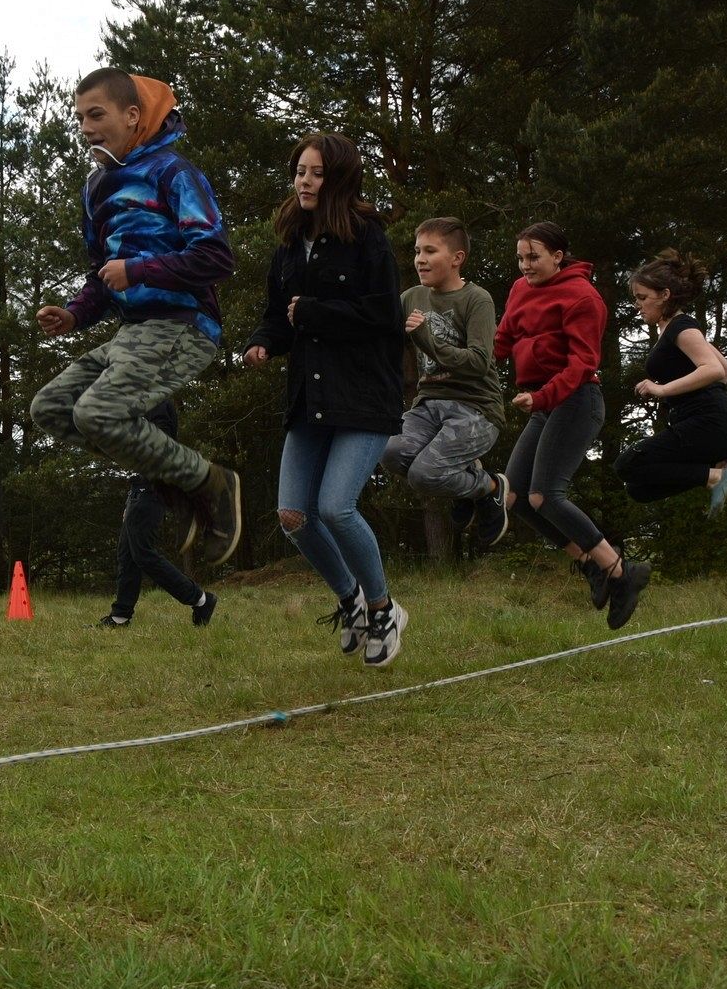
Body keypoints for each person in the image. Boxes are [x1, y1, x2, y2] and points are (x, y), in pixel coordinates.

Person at [30, 68, 242, 564]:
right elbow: (102, 274)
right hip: (132, 333)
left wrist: (139, 270)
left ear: (131, 116)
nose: (85, 128)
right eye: (79, 118)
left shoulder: (173, 173)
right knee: (51, 408)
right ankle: (179, 481)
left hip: (183, 324)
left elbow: (216, 257)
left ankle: (212, 484)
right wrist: (74, 314)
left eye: (95, 115)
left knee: (96, 412)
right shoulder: (95, 188)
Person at [244, 133, 408, 666]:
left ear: (338, 179)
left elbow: (384, 315)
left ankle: (384, 609)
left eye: (315, 173)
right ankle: (350, 598)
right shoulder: (290, 244)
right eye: (300, 171)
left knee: (336, 507)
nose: (304, 181)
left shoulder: (367, 237)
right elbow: (280, 315)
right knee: (294, 515)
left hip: (363, 394)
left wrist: (315, 313)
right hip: (308, 397)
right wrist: (263, 341)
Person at [493, 221, 650, 630]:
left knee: (545, 495)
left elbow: (583, 365)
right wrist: (465, 362)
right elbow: (501, 341)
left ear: (558, 256)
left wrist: (542, 397)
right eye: (520, 258)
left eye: (534, 257)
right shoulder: (520, 289)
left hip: (576, 400)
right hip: (544, 403)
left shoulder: (583, 297)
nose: (525, 265)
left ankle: (621, 571)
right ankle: (590, 564)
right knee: (515, 496)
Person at [381, 217, 510, 549]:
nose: (420, 260)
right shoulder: (411, 297)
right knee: (390, 453)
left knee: (424, 475)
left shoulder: (476, 299)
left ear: (456, 258)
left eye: (430, 251)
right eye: (417, 251)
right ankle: (465, 481)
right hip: (428, 405)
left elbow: (479, 363)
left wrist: (427, 339)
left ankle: (490, 489)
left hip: (476, 409)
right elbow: (377, 335)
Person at [614, 250, 727, 513]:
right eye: (635, 298)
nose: (637, 305)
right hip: (712, 427)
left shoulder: (681, 326)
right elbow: (726, 368)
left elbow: (713, 369)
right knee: (638, 488)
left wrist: (662, 389)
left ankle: (717, 476)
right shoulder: (677, 328)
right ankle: (719, 467)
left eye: (642, 297)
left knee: (626, 465)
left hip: (707, 424)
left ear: (665, 294)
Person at [97, 399, 218, 629]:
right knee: (127, 554)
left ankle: (200, 599)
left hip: (152, 486)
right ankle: (120, 616)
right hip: (139, 487)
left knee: (143, 554)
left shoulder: (158, 403)